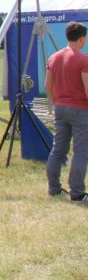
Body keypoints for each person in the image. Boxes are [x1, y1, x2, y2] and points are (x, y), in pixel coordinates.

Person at [45, 21, 88, 202]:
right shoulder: (83, 60)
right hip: (80, 110)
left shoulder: (53, 58)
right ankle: (77, 193)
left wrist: (58, 102)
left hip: (60, 108)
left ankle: (54, 188)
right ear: (81, 39)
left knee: (58, 150)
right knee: (81, 151)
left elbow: (48, 86)